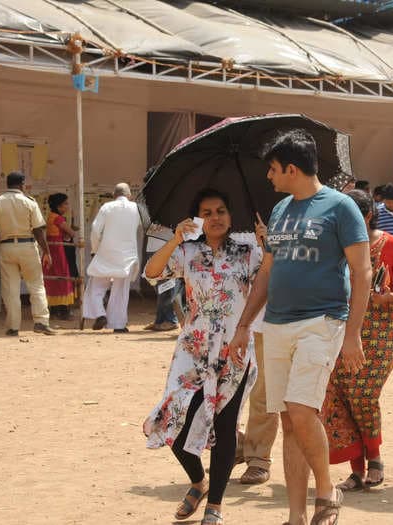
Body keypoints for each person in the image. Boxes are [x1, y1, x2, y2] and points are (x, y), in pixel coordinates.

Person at [228, 129, 371, 525]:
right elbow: (267, 273)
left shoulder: (342, 207)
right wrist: (243, 326)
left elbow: (362, 271)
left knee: (302, 410)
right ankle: (295, 515)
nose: (269, 177)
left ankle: (326, 493)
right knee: (289, 420)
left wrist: (353, 333)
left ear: (292, 168)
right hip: (276, 326)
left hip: (322, 322)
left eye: (273, 170)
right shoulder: (279, 211)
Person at [143, 189, 260, 524]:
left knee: (225, 428)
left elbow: (270, 282)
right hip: (192, 350)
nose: (216, 217)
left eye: (221, 210)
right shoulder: (186, 252)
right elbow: (153, 271)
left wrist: (267, 247)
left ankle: (215, 505)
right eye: (207, 212)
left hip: (234, 350)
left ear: (230, 214)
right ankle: (198, 482)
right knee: (173, 420)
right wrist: (173, 240)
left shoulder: (248, 253)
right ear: (198, 218)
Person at [321, 189, 393, 491]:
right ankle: (356, 469)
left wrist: (392, 296)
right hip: (339, 328)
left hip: (380, 331)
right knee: (339, 395)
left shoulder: (390, 245)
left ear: (368, 216)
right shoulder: (334, 247)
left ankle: (374, 456)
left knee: (362, 393)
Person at [0, 172, 56, 336]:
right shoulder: (30, 202)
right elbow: (38, 230)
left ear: (7, 184)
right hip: (28, 246)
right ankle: (41, 322)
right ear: (22, 184)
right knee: (36, 285)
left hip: (7, 248)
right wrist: (46, 251)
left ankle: (13, 327)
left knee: (11, 289)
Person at [240, 218, 280, 486]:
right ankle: (238, 446)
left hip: (270, 322)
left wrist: (269, 244)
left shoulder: (286, 220)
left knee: (264, 393)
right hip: (229, 323)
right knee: (226, 393)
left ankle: (258, 457)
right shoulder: (221, 224)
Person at [83, 183, 141, 333]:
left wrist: (95, 250)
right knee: (121, 291)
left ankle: (100, 313)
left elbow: (95, 230)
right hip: (127, 256)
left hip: (106, 254)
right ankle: (118, 325)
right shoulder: (136, 208)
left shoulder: (107, 207)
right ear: (129, 196)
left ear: (114, 195)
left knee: (95, 287)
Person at [44, 193, 79, 320]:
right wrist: (71, 231)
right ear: (59, 206)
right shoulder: (59, 219)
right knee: (63, 277)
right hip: (58, 251)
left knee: (53, 278)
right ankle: (63, 311)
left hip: (51, 250)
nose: (67, 206)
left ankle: (54, 309)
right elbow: (72, 233)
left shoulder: (50, 216)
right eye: (65, 204)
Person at [144, 224, 182, 332]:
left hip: (169, 245)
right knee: (158, 285)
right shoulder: (155, 211)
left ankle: (171, 320)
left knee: (168, 286)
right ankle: (160, 320)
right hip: (153, 245)